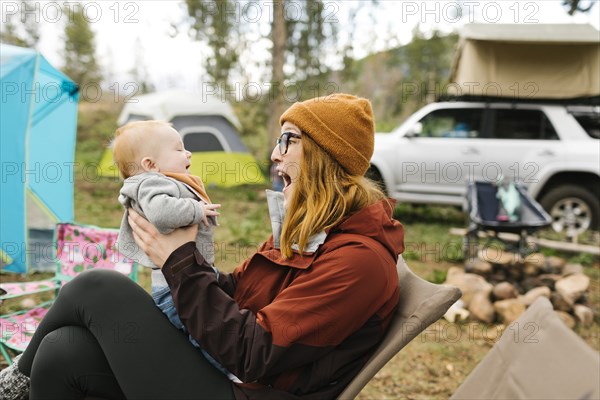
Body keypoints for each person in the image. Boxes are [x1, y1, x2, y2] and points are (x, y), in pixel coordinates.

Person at [0, 93, 405, 400]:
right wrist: (180, 258)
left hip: (243, 388)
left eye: (288, 139)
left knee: (99, 288)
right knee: (61, 350)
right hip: (221, 372)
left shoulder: (359, 262)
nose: (274, 153)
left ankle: (10, 384)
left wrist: (178, 260)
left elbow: (253, 354)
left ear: (323, 155)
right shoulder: (308, 234)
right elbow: (234, 292)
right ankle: (17, 383)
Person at [111, 120, 235, 380]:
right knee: (202, 334)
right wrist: (197, 210)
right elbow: (161, 213)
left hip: (186, 277)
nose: (188, 154)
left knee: (206, 327)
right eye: (179, 150)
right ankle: (226, 374)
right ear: (150, 165)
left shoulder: (163, 181)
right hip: (174, 288)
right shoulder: (151, 184)